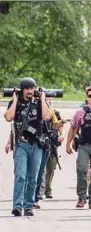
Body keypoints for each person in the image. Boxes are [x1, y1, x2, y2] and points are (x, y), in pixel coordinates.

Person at [4, 77, 51, 216]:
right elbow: (8, 117)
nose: (30, 91)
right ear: (22, 89)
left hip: (36, 144)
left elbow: (47, 116)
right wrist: (15, 99)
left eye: (32, 88)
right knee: (20, 175)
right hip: (21, 144)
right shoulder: (16, 103)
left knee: (33, 176)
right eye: (27, 88)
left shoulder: (38, 103)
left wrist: (42, 99)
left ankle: (28, 205)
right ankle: (17, 206)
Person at [66, 86, 91, 209]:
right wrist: (68, 144)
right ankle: (81, 197)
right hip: (84, 146)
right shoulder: (80, 112)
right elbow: (73, 128)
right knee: (81, 169)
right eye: (90, 96)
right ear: (86, 97)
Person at [34, 99, 64, 209]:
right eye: (46, 99)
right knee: (41, 169)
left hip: (52, 143)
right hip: (40, 143)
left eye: (49, 99)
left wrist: (62, 135)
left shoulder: (54, 113)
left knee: (51, 168)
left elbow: (59, 126)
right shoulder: (36, 111)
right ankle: (40, 192)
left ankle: (48, 189)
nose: (48, 101)